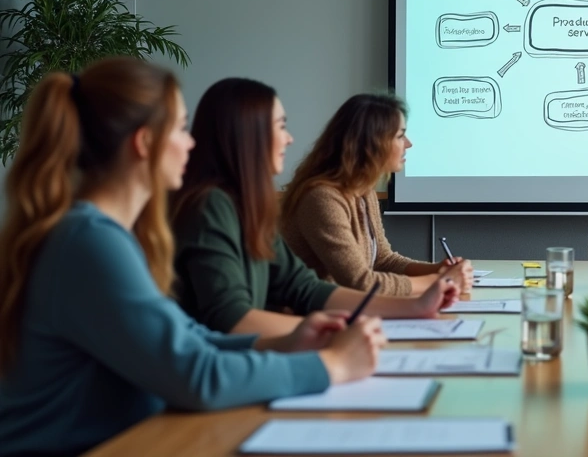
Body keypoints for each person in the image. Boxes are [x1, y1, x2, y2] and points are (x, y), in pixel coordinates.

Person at [0, 59, 385, 456]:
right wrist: (332, 366)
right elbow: (197, 377)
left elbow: (190, 341)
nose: (191, 142)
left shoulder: (102, 234)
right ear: (145, 142)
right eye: (182, 129)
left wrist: (287, 343)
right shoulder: (89, 242)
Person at [171, 78, 461, 338]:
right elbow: (230, 319)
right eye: (281, 126)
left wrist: (416, 306)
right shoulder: (212, 207)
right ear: (247, 135)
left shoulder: (247, 206)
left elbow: (306, 287)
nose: (289, 138)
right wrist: (331, 332)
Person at [280, 93, 473, 295]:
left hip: (340, 313)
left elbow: (383, 259)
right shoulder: (321, 198)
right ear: (371, 143)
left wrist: (437, 270)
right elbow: (360, 282)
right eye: (400, 136)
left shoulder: (364, 191)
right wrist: (440, 281)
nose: (408, 144)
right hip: (305, 319)